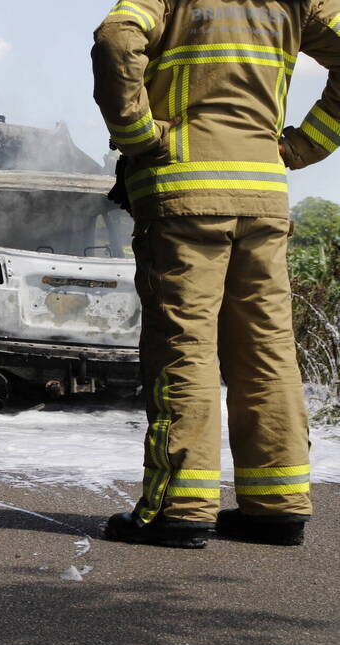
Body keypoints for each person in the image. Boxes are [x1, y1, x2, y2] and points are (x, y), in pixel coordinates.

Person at [92, 1, 340, 548]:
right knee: (267, 351)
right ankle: (276, 507)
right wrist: (304, 146)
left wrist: (136, 133)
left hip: (184, 195)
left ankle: (179, 509)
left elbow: (117, 37)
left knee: (185, 350)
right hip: (263, 195)